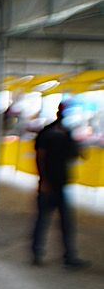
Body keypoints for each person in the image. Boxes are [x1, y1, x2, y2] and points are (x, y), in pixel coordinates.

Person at [31, 102, 88, 269]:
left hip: (58, 184)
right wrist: (44, 181)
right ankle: (40, 253)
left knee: (61, 222)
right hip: (51, 184)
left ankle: (66, 255)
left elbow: (75, 154)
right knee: (45, 221)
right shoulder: (50, 133)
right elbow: (41, 156)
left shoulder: (62, 133)